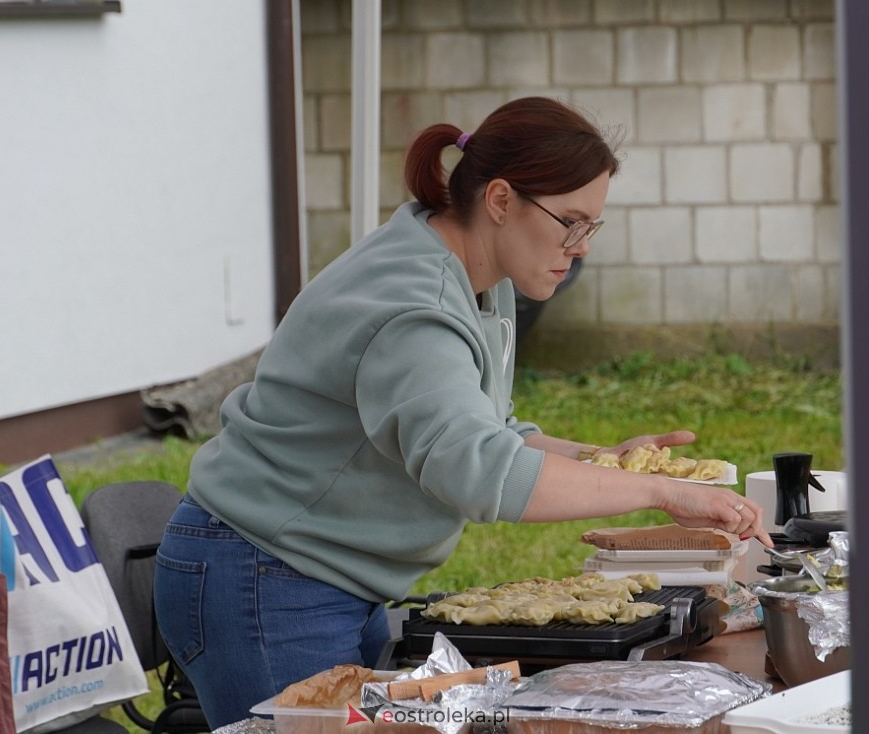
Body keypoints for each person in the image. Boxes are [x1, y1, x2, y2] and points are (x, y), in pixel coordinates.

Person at [153, 96, 772, 727]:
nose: (580, 247)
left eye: (592, 227)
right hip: (265, 575)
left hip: (314, 574)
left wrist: (604, 464)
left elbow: (491, 435)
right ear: (501, 201)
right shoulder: (412, 303)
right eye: (571, 222)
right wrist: (652, 490)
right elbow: (480, 472)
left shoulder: (478, 276)